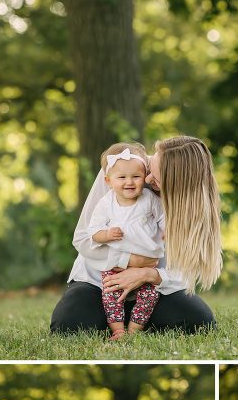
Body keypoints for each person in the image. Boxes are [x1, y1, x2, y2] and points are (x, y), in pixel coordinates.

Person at [50, 135, 222, 336]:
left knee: (200, 323)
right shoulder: (122, 167)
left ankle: (135, 319)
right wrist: (129, 261)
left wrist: (148, 274)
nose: (147, 180)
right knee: (68, 325)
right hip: (100, 282)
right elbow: (82, 238)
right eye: (149, 167)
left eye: (155, 178)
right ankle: (113, 319)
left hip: (154, 289)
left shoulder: (192, 209)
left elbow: (185, 269)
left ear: (177, 185)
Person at [87, 142, 165, 339]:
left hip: (145, 268)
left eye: (136, 177)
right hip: (115, 266)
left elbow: (163, 218)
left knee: (149, 296)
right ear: (108, 181)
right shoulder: (106, 203)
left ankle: (134, 330)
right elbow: (93, 232)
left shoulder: (149, 198)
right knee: (111, 295)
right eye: (122, 177)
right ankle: (118, 330)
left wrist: (167, 231)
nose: (129, 182)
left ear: (144, 178)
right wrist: (107, 235)